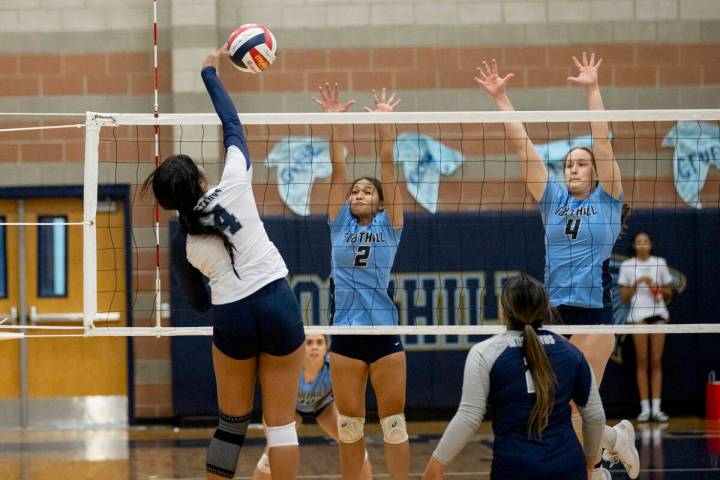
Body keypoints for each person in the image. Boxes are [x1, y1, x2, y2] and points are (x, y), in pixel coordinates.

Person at [143, 48, 305, 480]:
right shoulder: (234, 180)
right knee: (282, 424)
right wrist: (210, 73)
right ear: (200, 178)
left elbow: (197, 304)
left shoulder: (184, 241)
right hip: (277, 302)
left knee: (231, 427)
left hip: (232, 315)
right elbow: (233, 125)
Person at [474, 53, 638, 479]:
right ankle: (613, 442)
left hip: (593, 317)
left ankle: (597, 466)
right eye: (569, 164)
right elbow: (521, 146)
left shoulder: (607, 199)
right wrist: (502, 99)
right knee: (554, 406)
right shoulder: (553, 201)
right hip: (551, 315)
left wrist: (592, 89)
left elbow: (602, 142)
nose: (573, 168)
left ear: (597, 172)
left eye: (581, 163)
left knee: (573, 402)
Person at [311, 83, 409, 480]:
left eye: (367, 191)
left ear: (381, 201)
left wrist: (385, 126)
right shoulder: (338, 224)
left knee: (394, 424)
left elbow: (388, 166)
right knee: (349, 428)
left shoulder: (392, 224)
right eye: (356, 191)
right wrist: (335, 124)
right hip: (346, 336)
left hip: (384, 333)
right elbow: (338, 169)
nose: (359, 193)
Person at [421, 274, 608, 480]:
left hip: (515, 468)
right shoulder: (572, 353)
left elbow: (468, 417)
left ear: (503, 311)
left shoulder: (485, 353)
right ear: (546, 309)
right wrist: (591, 462)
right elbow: (595, 416)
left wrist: (436, 464)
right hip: (568, 466)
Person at [253, 334, 373, 479]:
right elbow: (274, 398)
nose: (314, 347)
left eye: (319, 342)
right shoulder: (290, 367)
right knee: (273, 448)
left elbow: (348, 397)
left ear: (327, 349)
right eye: (309, 343)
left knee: (354, 444)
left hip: (322, 406)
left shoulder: (334, 367)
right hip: (290, 409)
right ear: (301, 348)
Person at [619, 232, 673, 422]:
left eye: (645, 241)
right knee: (642, 360)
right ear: (634, 245)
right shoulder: (627, 265)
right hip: (638, 317)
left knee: (656, 360)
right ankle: (644, 408)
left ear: (650, 244)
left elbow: (669, 295)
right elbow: (623, 297)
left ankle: (657, 408)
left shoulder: (659, 262)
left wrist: (657, 286)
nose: (642, 244)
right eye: (638, 242)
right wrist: (637, 283)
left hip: (658, 315)